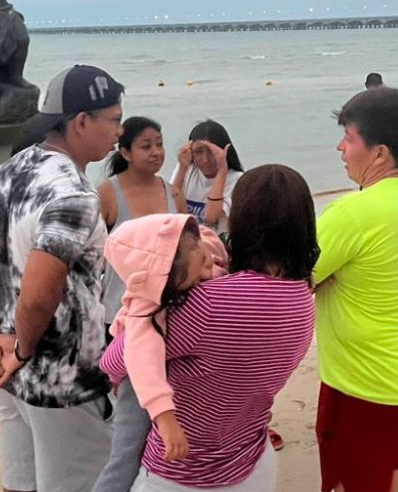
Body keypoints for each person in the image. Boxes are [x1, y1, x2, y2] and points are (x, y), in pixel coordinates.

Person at [0, 65, 124, 492]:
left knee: (20, 481)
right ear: (80, 122)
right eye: (113, 119)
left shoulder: (11, 170)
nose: (118, 131)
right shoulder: (73, 195)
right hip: (60, 374)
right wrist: (23, 346)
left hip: (7, 367)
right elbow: (41, 294)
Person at [101, 165, 317, 491]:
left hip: (182, 472)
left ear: (243, 222)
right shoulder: (303, 300)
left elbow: (117, 359)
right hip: (251, 461)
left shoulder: (205, 304)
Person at [314, 88, 398, 492]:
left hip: (368, 383)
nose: (340, 147)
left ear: (380, 152)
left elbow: (292, 276)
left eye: (349, 138)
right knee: (397, 481)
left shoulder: (353, 213)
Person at [92, 214, 228, 492]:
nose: (206, 273)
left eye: (204, 263)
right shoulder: (147, 304)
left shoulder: (200, 245)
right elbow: (140, 358)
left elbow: (212, 243)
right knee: (126, 452)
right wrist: (165, 419)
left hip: (169, 371)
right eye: (196, 279)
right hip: (140, 380)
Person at [97, 117, 187, 331]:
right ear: (126, 153)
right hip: (118, 312)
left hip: (168, 310)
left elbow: (188, 250)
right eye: (146, 146)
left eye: (159, 144)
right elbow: (92, 255)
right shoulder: (108, 194)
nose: (156, 152)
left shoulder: (174, 194)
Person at [170, 120, 245, 235]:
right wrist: (182, 167)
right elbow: (171, 206)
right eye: (198, 152)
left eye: (211, 152)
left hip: (216, 243)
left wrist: (222, 171)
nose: (205, 160)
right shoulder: (187, 169)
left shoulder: (237, 179)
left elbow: (210, 218)